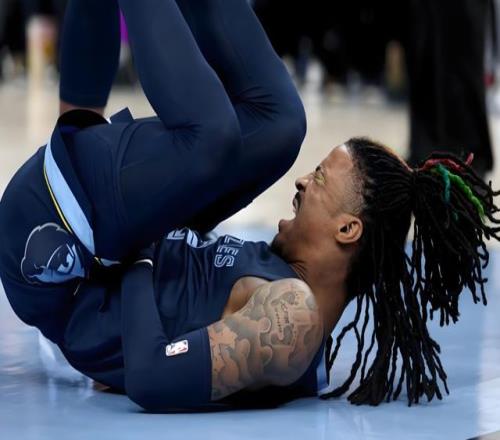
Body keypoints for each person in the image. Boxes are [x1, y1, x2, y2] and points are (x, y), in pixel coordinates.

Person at [1, 0, 499, 411]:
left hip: (52, 247)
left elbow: (153, 376)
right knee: (282, 125)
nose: (301, 181)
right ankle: (80, 115)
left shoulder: (294, 319)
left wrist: (143, 243)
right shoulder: (286, 286)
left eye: (319, 179)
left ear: (348, 229)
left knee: (210, 139)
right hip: (85, 216)